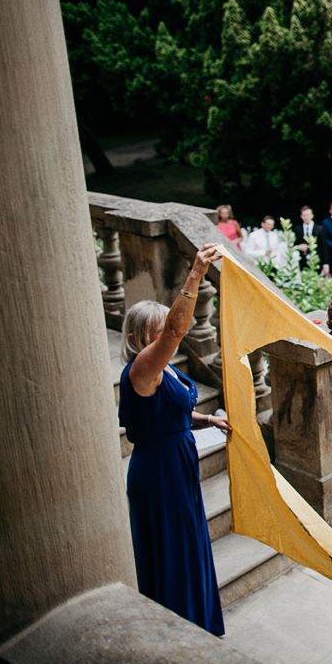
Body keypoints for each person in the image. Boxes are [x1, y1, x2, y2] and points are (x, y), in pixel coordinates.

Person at [118, 244, 231, 636]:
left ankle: (199, 624)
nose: (170, 335)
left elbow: (172, 415)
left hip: (178, 464)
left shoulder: (163, 371)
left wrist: (207, 420)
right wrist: (196, 272)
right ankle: (179, 632)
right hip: (159, 474)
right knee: (171, 553)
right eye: (160, 329)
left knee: (188, 546)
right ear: (140, 337)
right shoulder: (142, 368)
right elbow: (178, 330)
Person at [293, 205, 325, 271]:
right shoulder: (297, 229)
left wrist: (325, 264)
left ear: (312, 215)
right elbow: (293, 245)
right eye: (304, 215)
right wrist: (298, 247)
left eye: (308, 215)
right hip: (302, 262)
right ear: (301, 216)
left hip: (317, 261)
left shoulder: (320, 229)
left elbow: (324, 247)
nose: (306, 217)